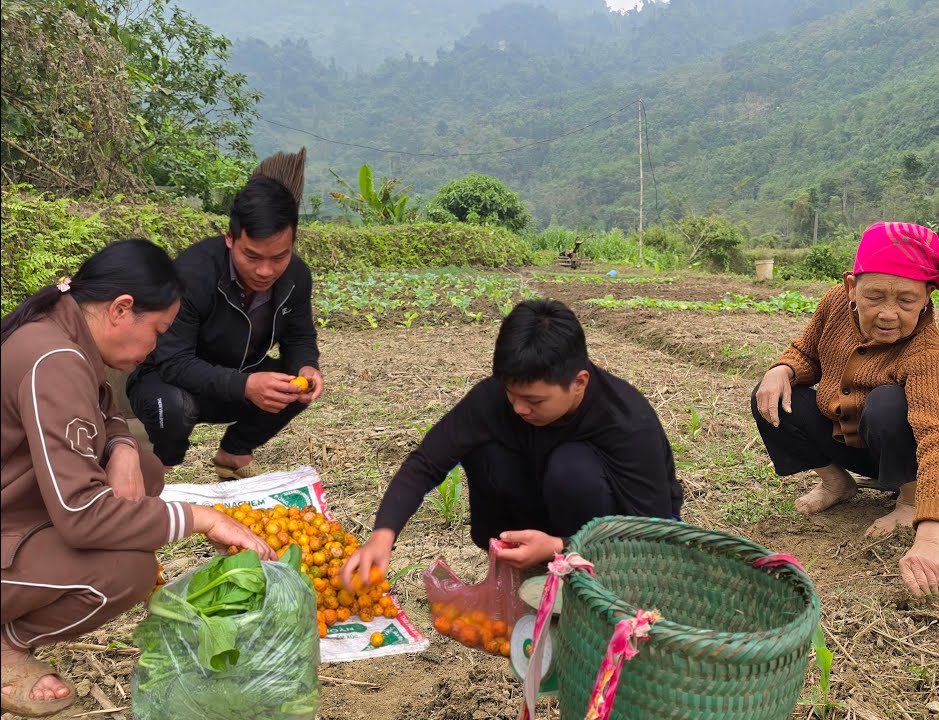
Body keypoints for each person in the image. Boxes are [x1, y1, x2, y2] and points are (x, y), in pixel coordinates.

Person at [1, 240, 274, 718]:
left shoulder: (64, 332)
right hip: (23, 514)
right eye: (157, 331)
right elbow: (83, 518)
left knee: (144, 470)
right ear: (121, 310)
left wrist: (123, 447)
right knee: (125, 571)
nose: (154, 348)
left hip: (18, 504)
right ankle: (7, 644)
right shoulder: (53, 360)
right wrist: (200, 518)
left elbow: (102, 408)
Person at [342, 299, 683, 585]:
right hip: (544, 519)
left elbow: (651, 535)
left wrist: (561, 547)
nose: (519, 408)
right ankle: (523, 571)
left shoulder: (628, 422)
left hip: (616, 540)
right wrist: (383, 535)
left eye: (534, 400)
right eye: (511, 393)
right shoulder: (496, 399)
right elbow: (427, 461)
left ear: (579, 382)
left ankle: (577, 577)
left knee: (571, 468)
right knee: (483, 448)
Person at [751, 221, 939, 598]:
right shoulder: (834, 304)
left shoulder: (931, 356)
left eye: (906, 300)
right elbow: (807, 353)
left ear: (927, 297)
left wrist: (929, 537)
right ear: (851, 287)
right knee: (772, 392)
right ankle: (837, 483)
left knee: (888, 403)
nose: (889, 314)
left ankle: (907, 499)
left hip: (918, 446)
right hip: (858, 436)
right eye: (874, 297)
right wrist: (784, 368)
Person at [127, 170, 323, 478]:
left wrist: (307, 366)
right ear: (230, 238)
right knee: (174, 408)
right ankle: (160, 469)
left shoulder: (297, 276)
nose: (265, 270)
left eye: (279, 257)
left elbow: (299, 337)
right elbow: (173, 361)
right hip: (169, 381)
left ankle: (234, 453)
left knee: (295, 385)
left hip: (234, 381)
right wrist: (244, 385)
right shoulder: (192, 275)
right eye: (252, 256)